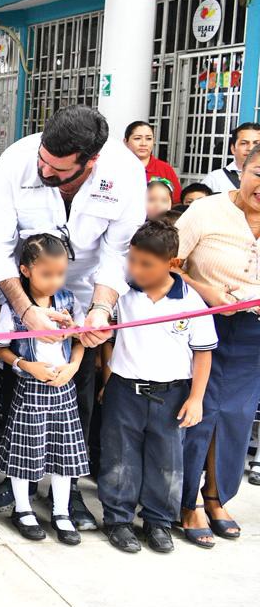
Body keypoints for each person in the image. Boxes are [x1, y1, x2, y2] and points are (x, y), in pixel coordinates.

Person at [0, 105, 146, 528]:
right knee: (15, 394)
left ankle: (67, 491)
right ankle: (18, 478)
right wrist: (27, 309)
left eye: (56, 170)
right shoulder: (17, 161)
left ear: (89, 163)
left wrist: (100, 310)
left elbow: (118, 252)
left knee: (77, 392)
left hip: (87, 293)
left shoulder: (125, 173)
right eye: (43, 161)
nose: (44, 171)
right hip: (25, 286)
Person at [100, 220, 215, 553]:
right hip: (125, 389)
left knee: (167, 462)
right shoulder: (121, 291)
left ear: (173, 263)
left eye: (146, 264)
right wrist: (108, 379)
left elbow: (203, 353)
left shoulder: (190, 301)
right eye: (133, 260)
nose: (136, 269)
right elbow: (106, 330)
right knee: (119, 458)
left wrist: (196, 399)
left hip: (172, 394)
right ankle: (118, 520)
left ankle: (158, 522)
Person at [174, 144, 260, 544]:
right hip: (203, 329)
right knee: (197, 414)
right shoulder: (207, 211)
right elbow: (165, 262)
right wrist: (205, 291)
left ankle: (216, 496)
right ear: (242, 168)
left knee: (236, 417)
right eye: (258, 172)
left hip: (253, 339)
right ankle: (185, 501)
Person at [0, 234, 88, 545]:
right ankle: (23, 509)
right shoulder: (16, 309)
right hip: (29, 390)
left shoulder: (70, 301)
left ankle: (61, 511)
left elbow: (81, 341)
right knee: (25, 453)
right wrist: (25, 365)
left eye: (60, 273)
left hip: (63, 390)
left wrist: (72, 367)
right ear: (26, 270)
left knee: (64, 454)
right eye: (47, 274)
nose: (55, 281)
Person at [123, 121, 181, 202]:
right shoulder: (117, 168)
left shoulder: (165, 169)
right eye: (137, 138)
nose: (143, 143)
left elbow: (176, 201)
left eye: (148, 139)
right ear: (125, 142)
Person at [200, 122, 259, 194]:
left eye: (256, 143)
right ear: (233, 149)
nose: (250, 148)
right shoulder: (215, 179)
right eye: (244, 143)